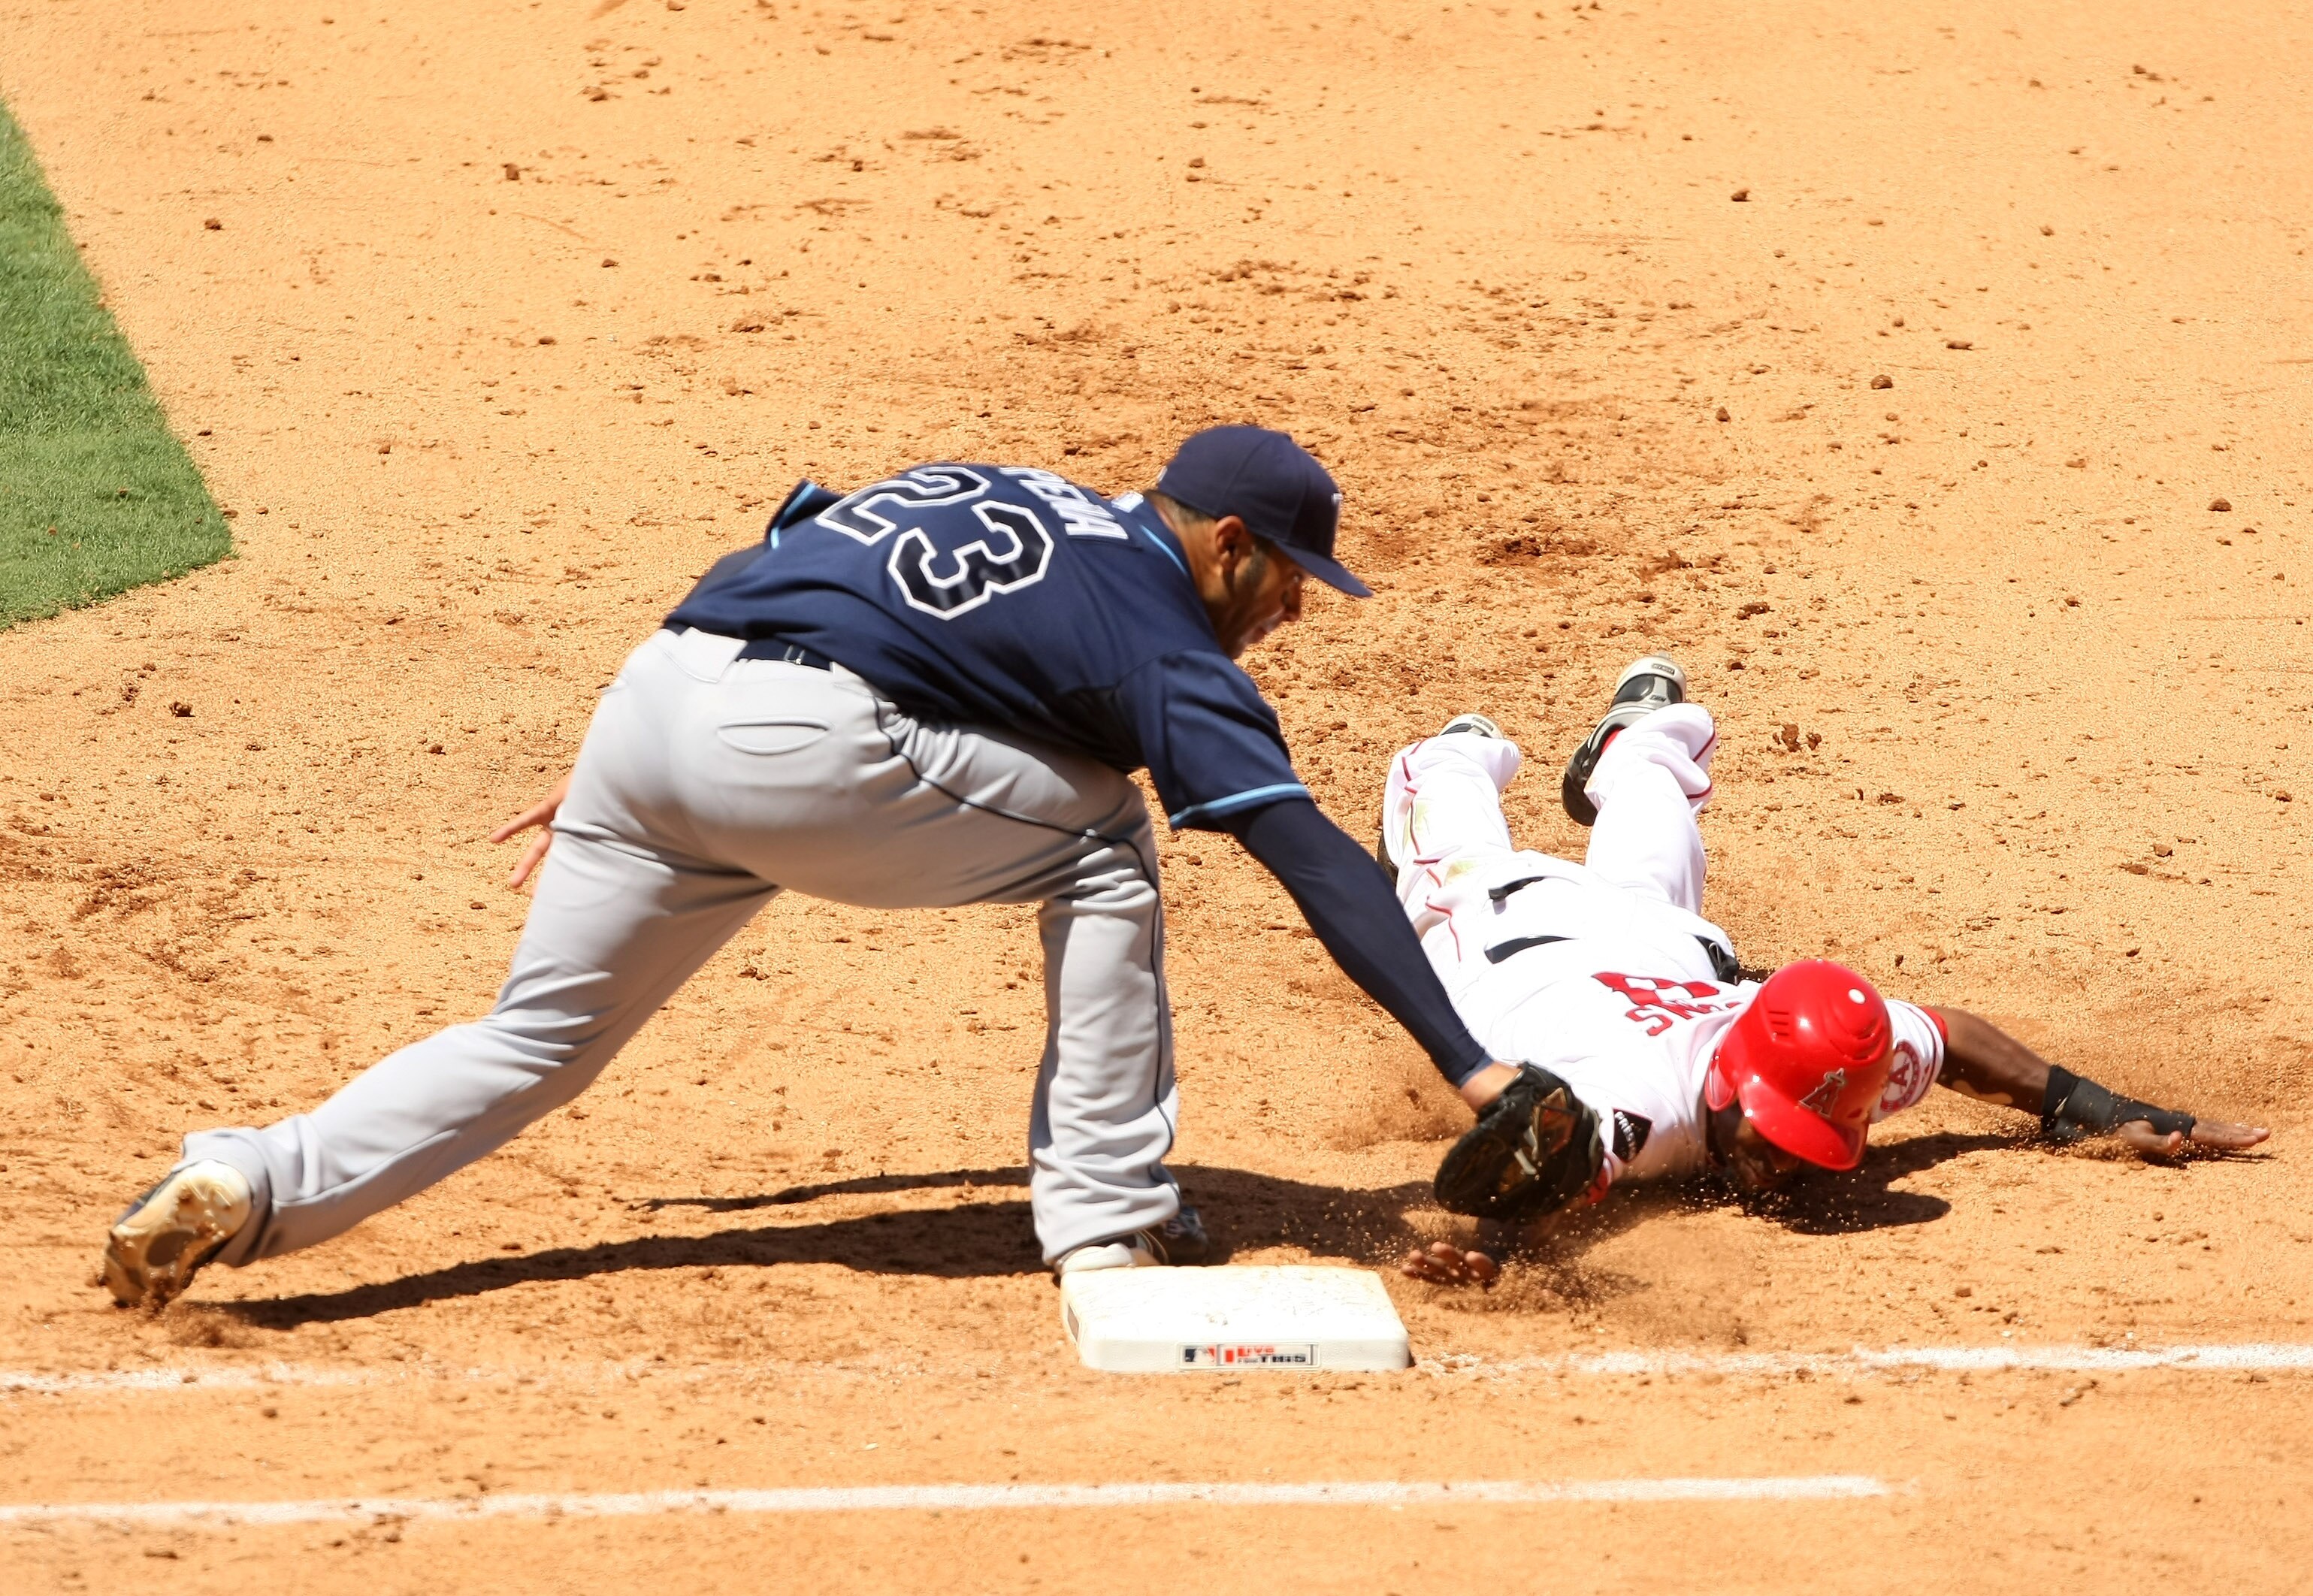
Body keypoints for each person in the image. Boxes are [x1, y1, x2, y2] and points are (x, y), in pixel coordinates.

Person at [100, 427, 1524, 1309]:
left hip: (659, 691)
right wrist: (1473, 1069)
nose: (1291, 607)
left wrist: (648, 757)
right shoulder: (1160, 626)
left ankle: (251, 1179)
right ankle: (1111, 1220)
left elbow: (803, 530)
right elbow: (1306, 852)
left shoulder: (1011, 483)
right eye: (1288, 578)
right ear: (1225, 543)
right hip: (790, 742)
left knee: (535, 1036)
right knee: (1104, 845)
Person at [1385, 656, 2269, 1286]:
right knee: (1453, 857)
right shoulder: (1641, 1104)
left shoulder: (1827, 1065)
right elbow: (1554, 1150)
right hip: (1516, 927)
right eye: (1776, 1143)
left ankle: (1642, 747)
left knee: (1654, 889)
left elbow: (1948, 1035)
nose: (1782, 1171)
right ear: (1731, 1085)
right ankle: (1461, 749)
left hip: (1662, 953)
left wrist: (2101, 1113)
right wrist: (1495, 1248)